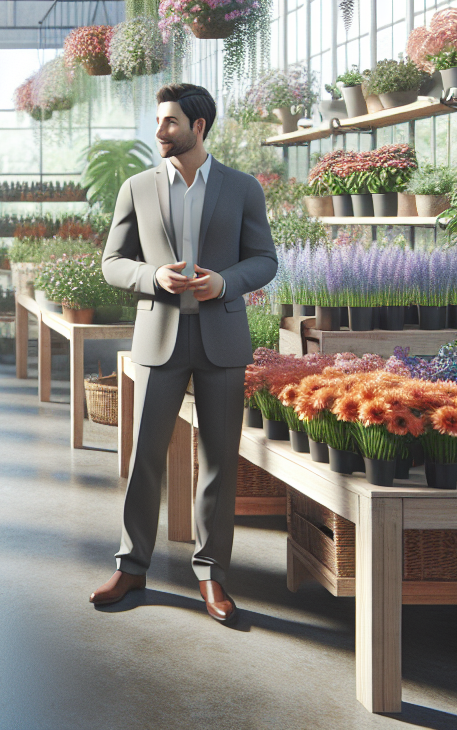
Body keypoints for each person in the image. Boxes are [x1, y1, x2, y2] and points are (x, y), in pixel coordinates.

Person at [89, 84, 277, 624]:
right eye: (157, 121)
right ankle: (131, 565)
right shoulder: (137, 187)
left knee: (219, 462)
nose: (159, 131)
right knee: (145, 455)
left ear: (198, 126)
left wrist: (225, 282)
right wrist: (153, 276)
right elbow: (112, 262)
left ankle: (212, 574)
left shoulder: (242, 189)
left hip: (222, 338)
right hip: (158, 337)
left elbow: (264, 259)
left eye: (169, 122)